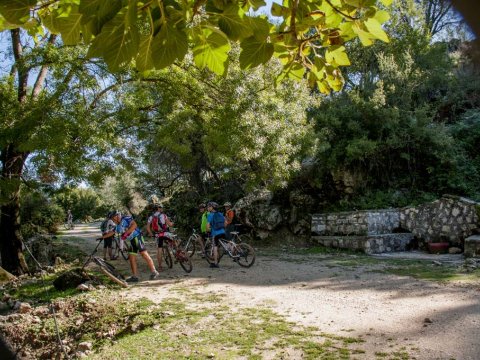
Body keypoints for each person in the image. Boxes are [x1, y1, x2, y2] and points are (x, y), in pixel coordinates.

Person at [106, 210, 159, 283]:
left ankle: (154, 271)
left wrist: (126, 233)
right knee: (131, 258)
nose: (112, 220)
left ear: (116, 216)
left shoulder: (126, 218)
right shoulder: (118, 225)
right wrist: (103, 237)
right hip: (132, 240)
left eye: (112, 218)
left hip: (137, 237)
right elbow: (112, 232)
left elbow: (134, 225)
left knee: (144, 254)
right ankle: (135, 276)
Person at [146, 204, 174, 271]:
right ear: (158, 209)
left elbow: (147, 227)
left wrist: (150, 233)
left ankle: (160, 266)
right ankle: (177, 252)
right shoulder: (164, 215)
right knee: (174, 240)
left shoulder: (151, 217)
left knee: (159, 249)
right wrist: (173, 223)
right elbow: (170, 224)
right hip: (165, 233)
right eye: (161, 207)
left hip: (157, 235)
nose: (162, 209)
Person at [206, 201, 226, 268]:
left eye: (208, 206)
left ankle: (216, 263)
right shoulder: (220, 214)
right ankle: (235, 252)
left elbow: (207, 226)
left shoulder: (210, 215)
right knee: (227, 243)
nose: (207, 208)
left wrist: (208, 230)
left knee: (215, 246)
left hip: (215, 233)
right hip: (223, 231)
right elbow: (225, 222)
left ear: (212, 207)